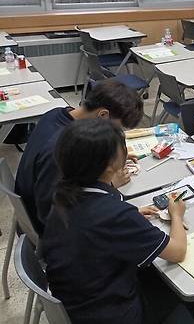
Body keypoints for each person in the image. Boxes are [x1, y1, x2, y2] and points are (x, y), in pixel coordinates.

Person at [41, 119, 194, 324]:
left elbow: (94, 222)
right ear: (110, 165)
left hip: (76, 298)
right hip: (111, 312)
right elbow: (177, 252)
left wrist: (129, 210)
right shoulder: (115, 215)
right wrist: (176, 215)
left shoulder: (64, 192)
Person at [15, 80, 143, 234]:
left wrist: (114, 157)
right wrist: (110, 185)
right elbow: (52, 214)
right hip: (51, 229)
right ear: (103, 115)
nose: (116, 136)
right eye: (118, 129)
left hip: (35, 203)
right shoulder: (59, 147)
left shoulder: (57, 114)